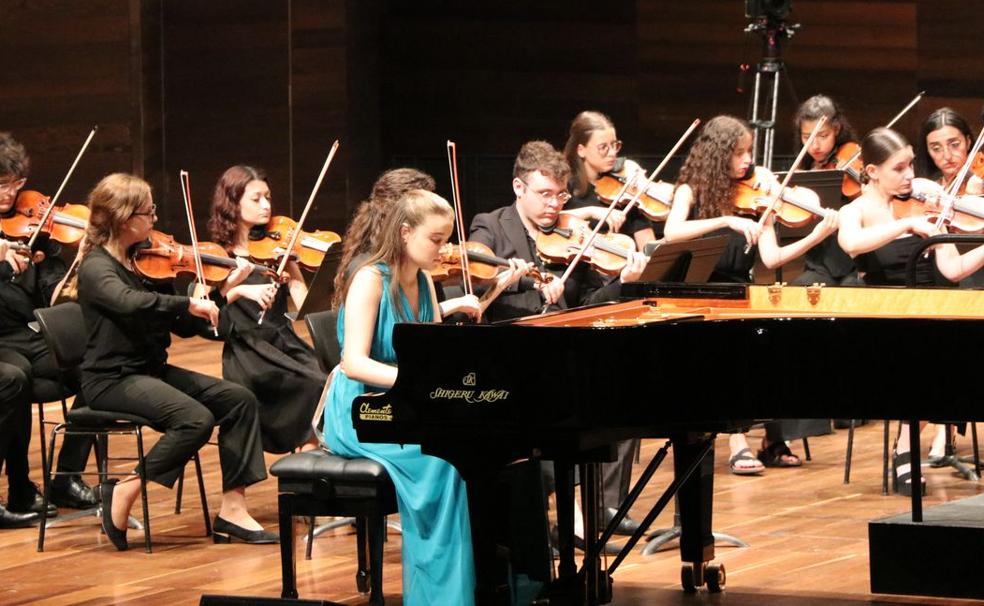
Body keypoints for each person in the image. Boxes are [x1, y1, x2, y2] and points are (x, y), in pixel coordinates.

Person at [321, 189, 526, 605]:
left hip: (404, 404)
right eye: (436, 239)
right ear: (405, 232)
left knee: (495, 449)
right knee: (444, 463)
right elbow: (354, 363)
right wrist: (410, 380)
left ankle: (507, 586)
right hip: (361, 410)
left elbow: (431, 354)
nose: (444, 248)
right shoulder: (369, 279)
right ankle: (443, 598)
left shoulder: (426, 283)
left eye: (446, 239)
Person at [67, 173, 274, 549]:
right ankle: (127, 489)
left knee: (238, 400)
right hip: (110, 379)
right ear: (126, 219)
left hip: (150, 372)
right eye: (149, 213)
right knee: (195, 419)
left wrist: (221, 293)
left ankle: (233, 510)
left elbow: (182, 325)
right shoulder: (97, 267)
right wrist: (187, 301)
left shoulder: (146, 262)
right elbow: (130, 304)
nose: (155, 220)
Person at [469, 140, 649, 545]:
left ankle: (595, 508)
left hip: (565, 351)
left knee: (625, 402)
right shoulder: (491, 226)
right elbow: (473, 292)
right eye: (544, 194)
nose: (554, 205)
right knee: (552, 408)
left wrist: (624, 283)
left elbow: (588, 303)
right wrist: (506, 280)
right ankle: (570, 519)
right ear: (519, 189)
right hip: (508, 354)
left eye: (561, 195)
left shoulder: (573, 236)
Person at [664, 115, 839, 474]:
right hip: (697, 292)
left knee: (772, 344)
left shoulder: (759, 193)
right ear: (718, 155)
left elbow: (772, 257)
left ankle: (772, 440)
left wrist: (816, 236)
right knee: (727, 351)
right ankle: (737, 440)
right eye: (739, 153)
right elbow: (671, 232)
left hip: (740, 290)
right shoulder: (690, 191)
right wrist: (726, 220)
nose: (748, 160)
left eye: (749, 152)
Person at [838, 127, 984, 495]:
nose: (909, 176)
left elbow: (952, 270)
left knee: (949, 350)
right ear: (872, 172)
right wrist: (904, 224)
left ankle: (904, 446)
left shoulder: (928, 198)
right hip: (884, 317)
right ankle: (906, 447)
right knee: (920, 353)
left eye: (910, 165)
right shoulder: (856, 210)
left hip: (930, 309)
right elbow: (851, 244)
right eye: (898, 168)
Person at [0, 132, 98, 525]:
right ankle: (20, 485)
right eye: (0, 185)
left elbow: (53, 292)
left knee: (98, 366)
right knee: (14, 379)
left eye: (14, 184)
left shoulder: (34, 226)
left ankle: (67, 477)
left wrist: (67, 267)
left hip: (29, 334)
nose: (8, 194)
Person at [207, 165, 325, 453]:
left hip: (284, 343)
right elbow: (210, 317)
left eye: (268, 197)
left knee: (330, 381)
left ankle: (305, 468)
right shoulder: (217, 256)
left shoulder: (275, 251)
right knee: (313, 384)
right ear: (233, 203)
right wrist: (235, 286)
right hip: (249, 352)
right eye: (256, 198)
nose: (266, 205)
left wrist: (294, 267)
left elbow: (305, 305)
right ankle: (302, 465)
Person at [792, 94, 862, 286]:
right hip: (819, 262)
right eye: (807, 137)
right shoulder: (803, 170)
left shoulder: (850, 156)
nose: (814, 145)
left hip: (854, 260)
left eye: (823, 136)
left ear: (836, 129)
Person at [563, 110, 658, 249]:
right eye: (603, 148)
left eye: (614, 145)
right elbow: (547, 221)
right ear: (581, 150)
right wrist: (591, 211)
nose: (613, 153)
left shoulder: (624, 189)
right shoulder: (566, 185)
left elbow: (647, 242)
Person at [918, 107, 983, 196]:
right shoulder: (930, 188)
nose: (947, 156)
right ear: (928, 150)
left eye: (955, 145)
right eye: (936, 149)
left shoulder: (980, 180)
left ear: (968, 142)